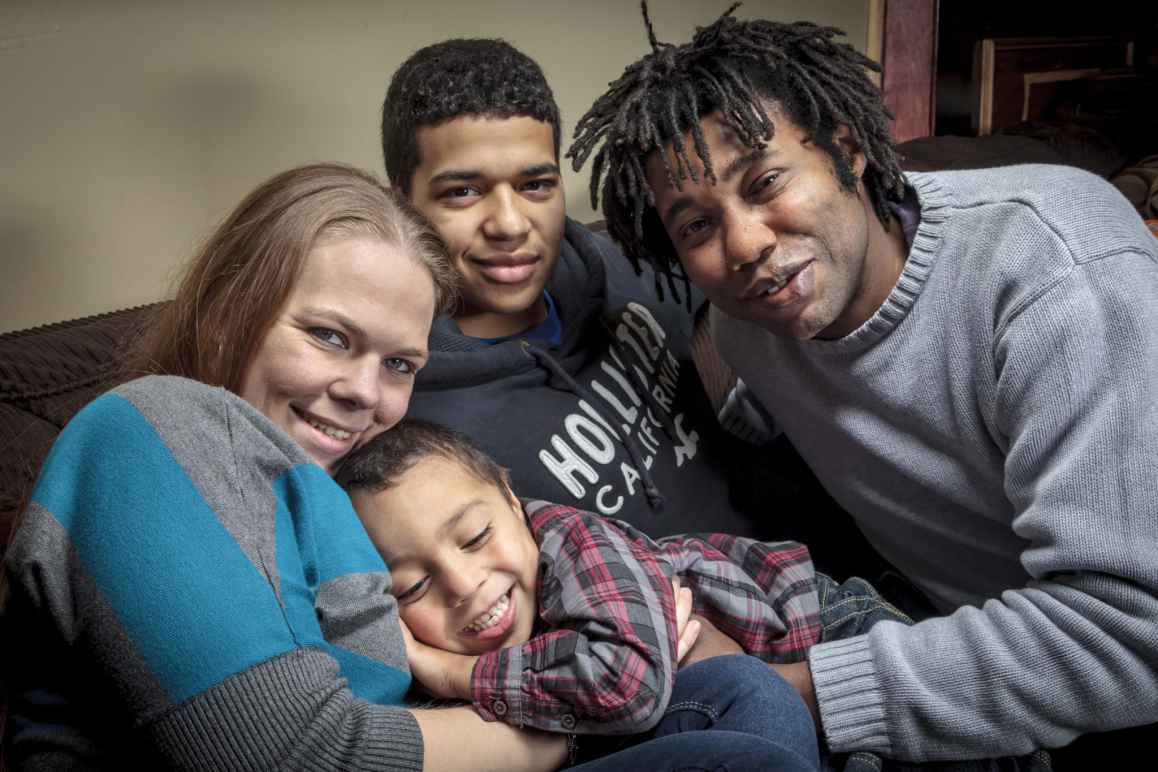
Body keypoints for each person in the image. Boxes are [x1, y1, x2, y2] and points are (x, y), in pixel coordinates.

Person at [567, 3, 1158, 767]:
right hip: (958, 649)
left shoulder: (1053, 269)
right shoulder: (753, 320)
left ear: (845, 148)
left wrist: (786, 689)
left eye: (766, 180)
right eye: (697, 226)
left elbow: (1132, 632)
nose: (745, 243)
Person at [1, 162, 562, 771]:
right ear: (225, 315)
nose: (365, 394)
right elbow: (294, 758)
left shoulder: (333, 499)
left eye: (400, 365)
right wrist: (579, 725)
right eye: (329, 336)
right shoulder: (144, 429)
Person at [380, 37, 796, 541]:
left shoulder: (619, 259)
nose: (510, 225)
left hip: (819, 552)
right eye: (463, 192)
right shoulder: (411, 422)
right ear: (402, 203)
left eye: (535, 185)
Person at [337, 417, 829, 770]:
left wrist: (451, 673)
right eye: (414, 587)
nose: (465, 586)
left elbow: (624, 682)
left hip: (812, 616)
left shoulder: (573, 540)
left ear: (513, 503)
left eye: (475, 538)